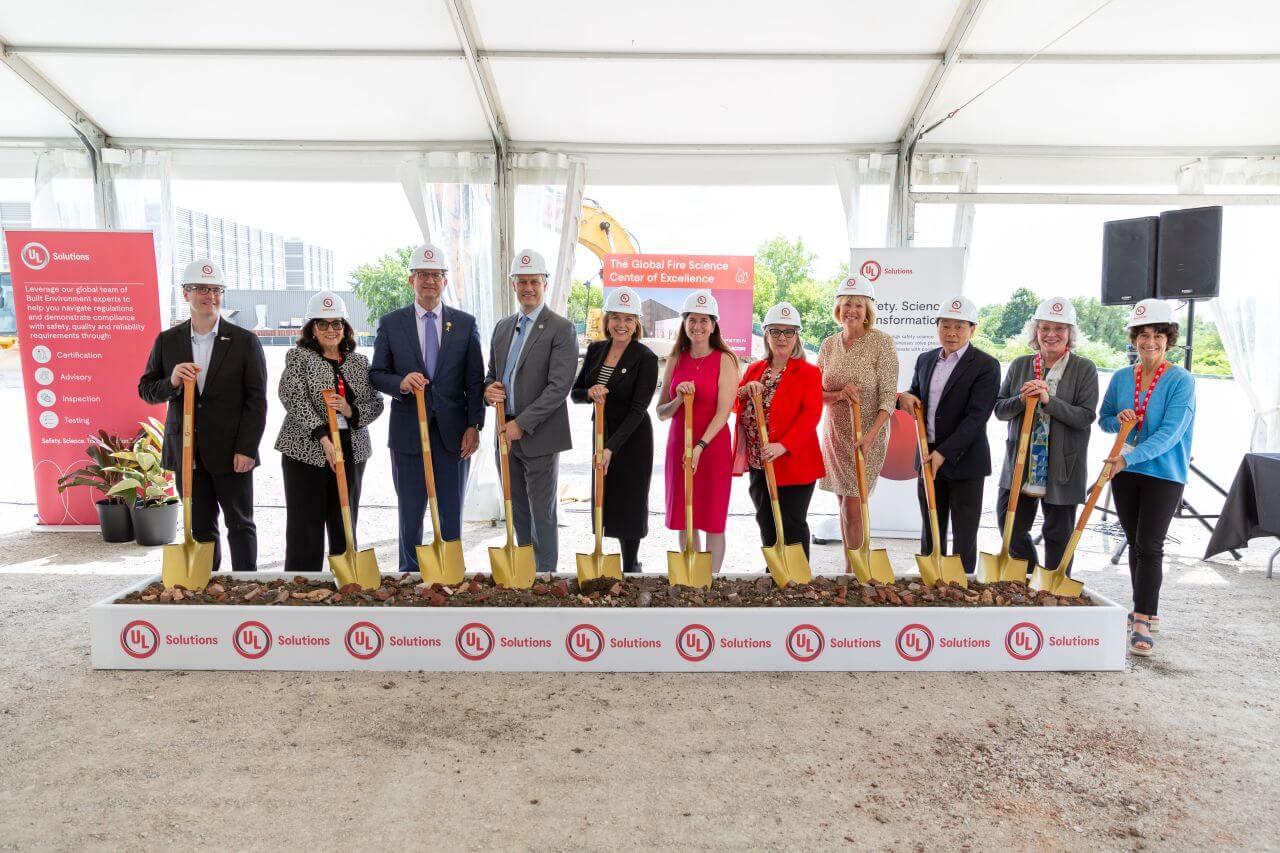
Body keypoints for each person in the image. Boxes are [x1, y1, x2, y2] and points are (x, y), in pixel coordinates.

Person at [137, 260, 268, 572]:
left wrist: (247, 448)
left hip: (232, 452)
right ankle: (210, 588)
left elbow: (256, 401)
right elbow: (146, 389)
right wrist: (171, 382)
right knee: (200, 528)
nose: (210, 296)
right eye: (202, 289)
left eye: (215, 290)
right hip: (188, 454)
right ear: (186, 294)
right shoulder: (167, 341)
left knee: (240, 524)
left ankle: (246, 585)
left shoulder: (244, 341)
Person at [370, 243, 484, 574]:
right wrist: (401, 383)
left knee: (451, 512)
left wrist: (474, 425)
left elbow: (474, 381)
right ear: (411, 281)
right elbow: (377, 373)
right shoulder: (391, 324)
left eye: (436, 275)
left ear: (445, 281)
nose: (429, 281)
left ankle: (450, 577)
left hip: (453, 436)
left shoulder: (464, 324)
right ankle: (410, 576)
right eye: (423, 275)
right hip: (408, 434)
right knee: (410, 512)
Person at [1099, 298, 1195, 657]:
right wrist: (1118, 420)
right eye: (1142, 335)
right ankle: (1142, 608)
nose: (1149, 342)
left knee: (1150, 545)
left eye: (1157, 335)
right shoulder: (1123, 376)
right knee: (1134, 541)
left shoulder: (1181, 380)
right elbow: (1105, 418)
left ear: (1169, 339)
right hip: (1127, 471)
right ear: (1134, 339)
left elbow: (1170, 433)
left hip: (1163, 474)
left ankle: (1143, 618)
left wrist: (1128, 456)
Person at [483, 249, 577, 573]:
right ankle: (525, 574)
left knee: (542, 513)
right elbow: (493, 374)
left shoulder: (560, 329)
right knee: (517, 510)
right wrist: (488, 390)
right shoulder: (503, 327)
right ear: (513, 285)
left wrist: (521, 424)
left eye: (534, 282)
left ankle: (547, 578)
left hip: (537, 434)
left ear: (545, 283)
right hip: (503, 432)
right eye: (522, 282)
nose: (528, 288)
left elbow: (558, 387)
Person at [275, 292, 384, 571]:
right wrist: (322, 435)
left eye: (336, 324)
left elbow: (376, 403)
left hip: (352, 450)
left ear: (345, 328)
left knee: (344, 518)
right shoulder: (298, 357)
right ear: (312, 328)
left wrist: (350, 410)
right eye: (323, 324)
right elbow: (292, 397)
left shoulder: (359, 362)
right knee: (305, 524)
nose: (330, 330)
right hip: (306, 451)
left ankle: (345, 579)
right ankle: (303, 582)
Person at [993, 297, 1099, 577]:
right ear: (1035, 332)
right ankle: (1029, 581)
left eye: (1059, 329)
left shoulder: (1084, 368)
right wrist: (1022, 398)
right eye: (1045, 328)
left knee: (1058, 536)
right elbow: (1001, 410)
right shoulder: (1020, 365)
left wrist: (1048, 400)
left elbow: (1085, 416)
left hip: (1062, 467)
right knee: (1010, 528)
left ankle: (1053, 590)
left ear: (1070, 335)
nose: (1051, 335)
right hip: (1020, 464)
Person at [898, 296, 999, 575]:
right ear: (937, 327)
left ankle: (960, 587)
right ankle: (930, 580)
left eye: (959, 326)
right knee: (931, 526)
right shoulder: (926, 359)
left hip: (964, 461)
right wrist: (904, 397)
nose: (951, 333)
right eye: (945, 326)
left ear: (972, 329)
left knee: (965, 533)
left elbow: (977, 417)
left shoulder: (986, 365)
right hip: (927, 455)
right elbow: (915, 393)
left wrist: (944, 453)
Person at [570, 286, 659, 572]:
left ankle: (631, 563)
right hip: (602, 433)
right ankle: (602, 559)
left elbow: (638, 409)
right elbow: (576, 392)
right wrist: (590, 392)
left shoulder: (645, 357)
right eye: (616, 318)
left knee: (629, 499)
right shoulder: (596, 350)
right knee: (605, 497)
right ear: (607, 321)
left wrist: (611, 448)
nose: (622, 325)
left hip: (632, 439)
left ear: (637, 324)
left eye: (628, 319)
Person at [815, 275, 899, 572]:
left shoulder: (881, 343)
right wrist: (839, 394)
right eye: (846, 304)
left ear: (868, 310)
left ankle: (857, 571)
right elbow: (817, 393)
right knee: (842, 505)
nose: (851, 309)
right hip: (835, 436)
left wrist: (872, 435)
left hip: (867, 436)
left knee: (853, 506)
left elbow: (889, 397)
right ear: (839, 308)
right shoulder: (828, 345)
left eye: (858, 305)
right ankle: (850, 566)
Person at [657, 290, 740, 573]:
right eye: (692, 320)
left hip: (712, 447)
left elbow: (724, 411)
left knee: (712, 517)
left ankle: (712, 580)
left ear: (714, 325)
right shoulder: (675, 359)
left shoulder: (725, 359)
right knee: (685, 515)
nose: (698, 327)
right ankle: (692, 575)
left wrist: (701, 446)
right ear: (685, 323)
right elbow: (661, 412)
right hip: (680, 447)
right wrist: (678, 399)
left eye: (704, 321)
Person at [733, 302, 824, 560]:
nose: (782, 338)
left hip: (794, 462)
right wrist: (744, 390)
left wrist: (783, 445)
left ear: (797, 336)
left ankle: (797, 578)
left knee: (792, 522)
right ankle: (775, 571)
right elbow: (734, 403)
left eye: (788, 332)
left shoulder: (809, 372)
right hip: (758, 460)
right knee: (766, 520)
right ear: (766, 335)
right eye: (775, 331)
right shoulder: (753, 369)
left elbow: (811, 415)